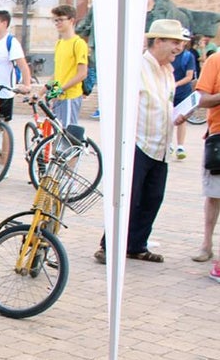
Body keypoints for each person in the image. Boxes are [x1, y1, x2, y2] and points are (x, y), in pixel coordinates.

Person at [93, 19, 188, 265]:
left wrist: (177, 116)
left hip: (160, 145)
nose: (179, 47)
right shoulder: (137, 68)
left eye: (180, 43)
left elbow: (163, 104)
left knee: (152, 198)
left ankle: (136, 245)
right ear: (158, 41)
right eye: (174, 42)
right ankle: (109, 245)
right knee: (128, 198)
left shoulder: (168, 71)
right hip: (137, 143)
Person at [190, 45, 220, 269]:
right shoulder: (215, 60)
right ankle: (206, 245)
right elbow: (200, 99)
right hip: (218, 137)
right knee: (214, 195)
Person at [0, 10, 32, 120]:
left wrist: (27, 86)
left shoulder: (11, 42)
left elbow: (23, 66)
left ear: (4, 23)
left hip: (4, 91)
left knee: (2, 122)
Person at [49, 4, 90, 129]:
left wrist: (62, 89)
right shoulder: (59, 44)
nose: (57, 23)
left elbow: (82, 73)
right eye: (55, 20)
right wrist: (50, 93)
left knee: (67, 132)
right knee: (57, 133)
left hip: (70, 96)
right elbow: (58, 73)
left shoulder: (78, 44)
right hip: (59, 96)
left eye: (61, 20)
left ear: (71, 20)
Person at [172, 27, 198, 160]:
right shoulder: (168, 54)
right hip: (168, 91)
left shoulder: (188, 56)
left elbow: (189, 76)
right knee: (167, 118)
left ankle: (180, 146)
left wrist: (176, 84)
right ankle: (169, 143)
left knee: (181, 118)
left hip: (182, 92)